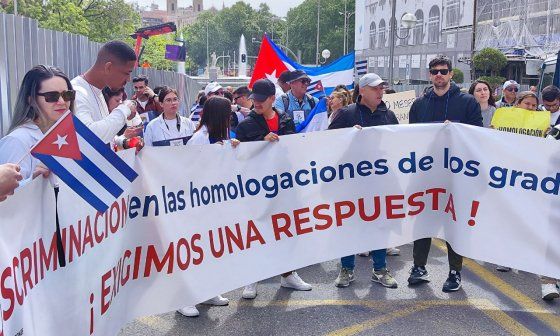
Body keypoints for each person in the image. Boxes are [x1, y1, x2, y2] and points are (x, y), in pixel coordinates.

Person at [408, 55, 483, 292]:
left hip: (456, 174)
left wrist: (457, 132)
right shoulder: (419, 104)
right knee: (423, 219)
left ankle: (455, 271)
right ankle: (418, 267)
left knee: (454, 221)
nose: (438, 75)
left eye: (443, 70)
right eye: (434, 71)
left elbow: (477, 135)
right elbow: (410, 139)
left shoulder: (467, 102)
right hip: (427, 173)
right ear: (429, 75)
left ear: (451, 73)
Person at [236, 79, 311, 298]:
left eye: (260, 100)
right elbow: (240, 157)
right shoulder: (245, 126)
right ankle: (252, 278)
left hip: (284, 185)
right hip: (257, 189)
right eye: (254, 99)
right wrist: (261, 141)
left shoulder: (285, 119)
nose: (256, 103)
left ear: (271, 99)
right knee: (257, 232)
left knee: (287, 230)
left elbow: (293, 149)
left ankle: (288, 274)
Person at [328, 73, 399, 289]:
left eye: (382, 88)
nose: (381, 91)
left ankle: (379, 269)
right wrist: (348, 138)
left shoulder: (389, 116)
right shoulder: (346, 115)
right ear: (363, 90)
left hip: (380, 183)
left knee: (379, 225)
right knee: (349, 226)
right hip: (351, 185)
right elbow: (328, 145)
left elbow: (400, 145)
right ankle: (347, 269)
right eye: (376, 88)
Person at [0, 65, 74, 180]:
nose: (61, 101)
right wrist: (33, 180)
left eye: (67, 95)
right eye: (51, 96)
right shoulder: (17, 141)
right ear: (31, 100)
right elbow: (8, 194)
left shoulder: (70, 136)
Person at [71, 40, 138, 146]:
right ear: (108, 67)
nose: (129, 79)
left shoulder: (97, 91)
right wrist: (124, 109)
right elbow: (88, 136)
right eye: (126, 73)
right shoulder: (77, 92)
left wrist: (123, 142)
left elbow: (104, 137)